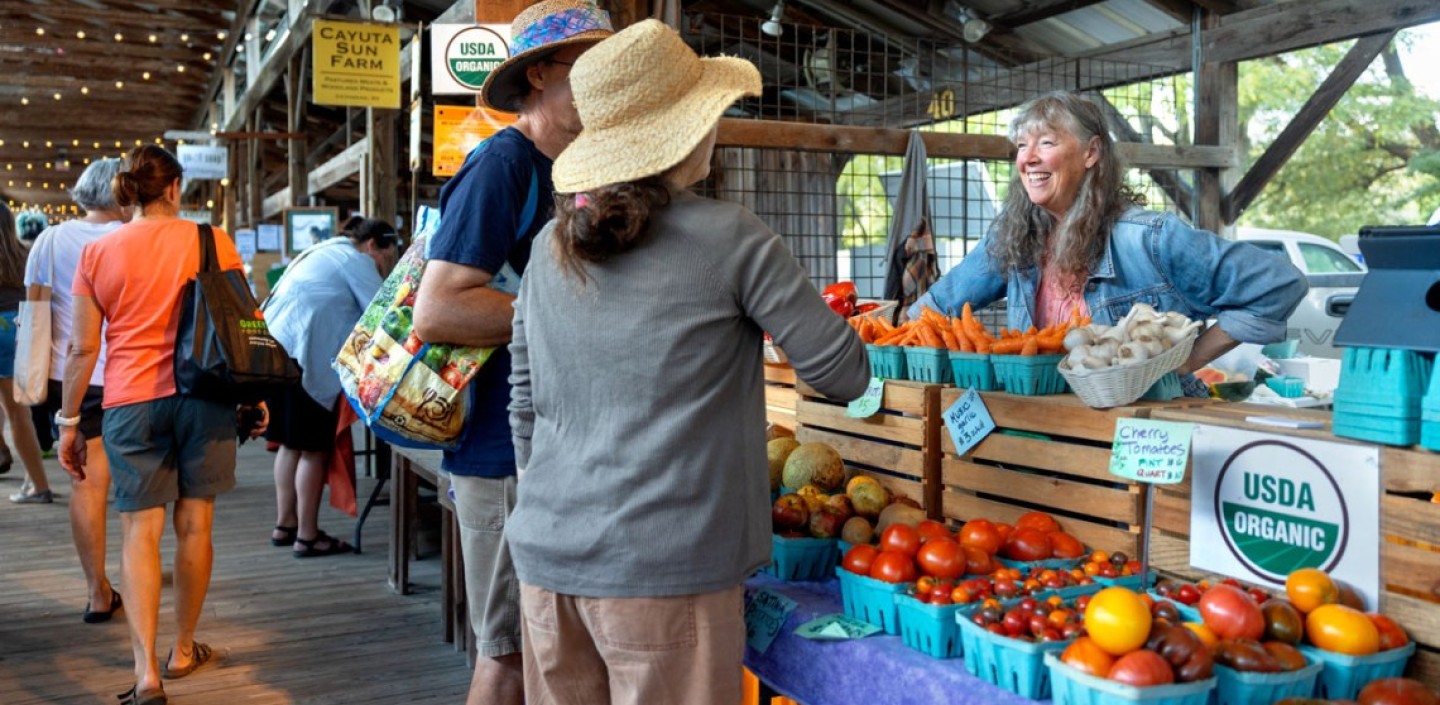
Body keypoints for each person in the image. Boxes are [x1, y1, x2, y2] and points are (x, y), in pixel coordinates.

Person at [506, 20, 870, 704]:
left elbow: (523, 405)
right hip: (667, 571)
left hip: (548, 561)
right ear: (690, 130)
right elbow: (843, 373)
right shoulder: (733, 238)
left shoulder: (547, 251)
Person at [411, 2, 612, 704]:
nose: (605, 80)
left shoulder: (577, 173)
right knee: (507, 653)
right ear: (536, 78)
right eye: (588, 66)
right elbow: (438, 306)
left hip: (554, 449)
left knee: (546, 647)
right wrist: (566, 314)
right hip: (499, 452)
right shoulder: (503, 165)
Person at [910, 91, 1308, 386]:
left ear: (1091, 153)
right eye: (1021, 146)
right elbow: (934, 308)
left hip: (1137, 428)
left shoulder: (1149, 238)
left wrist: (1184, 362)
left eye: (1046, 143)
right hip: (1045, 429)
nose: (1027, 158)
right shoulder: (1015, 234)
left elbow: (1279, 286)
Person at [57, 145, 265, 705]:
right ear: (174, 188)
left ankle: (146, 673)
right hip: (204, 398)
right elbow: (247, 324)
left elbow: (82, 348)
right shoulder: (211, 241)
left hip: (129, 405)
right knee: (196, 525)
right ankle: (182, 649)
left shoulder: (98, 253)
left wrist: (70, 420)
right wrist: (254, 395)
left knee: (138, 533)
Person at [22, 158, 128, 621]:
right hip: (138, 375)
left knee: (87, 485)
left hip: (75, 380)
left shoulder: (49, 240)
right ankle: (137, 568)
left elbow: (35, 309)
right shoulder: (133, 238)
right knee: (138, 486)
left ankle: (96, 592)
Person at [263, 217, 398, 557]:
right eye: (385, 258)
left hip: (275, 352)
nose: (382, 266)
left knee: (289, 444)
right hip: (305, 358)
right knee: (312, 449)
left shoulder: (323, 250)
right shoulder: (358, 261)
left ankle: (286, 524)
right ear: (372, 246)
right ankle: (307, 536)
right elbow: (383, 315)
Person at [0, 202, 52, 504]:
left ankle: (39, 487)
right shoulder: (25, 254)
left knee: (15, 414)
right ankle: (36, 483)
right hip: (19, 328)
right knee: (21, 415)